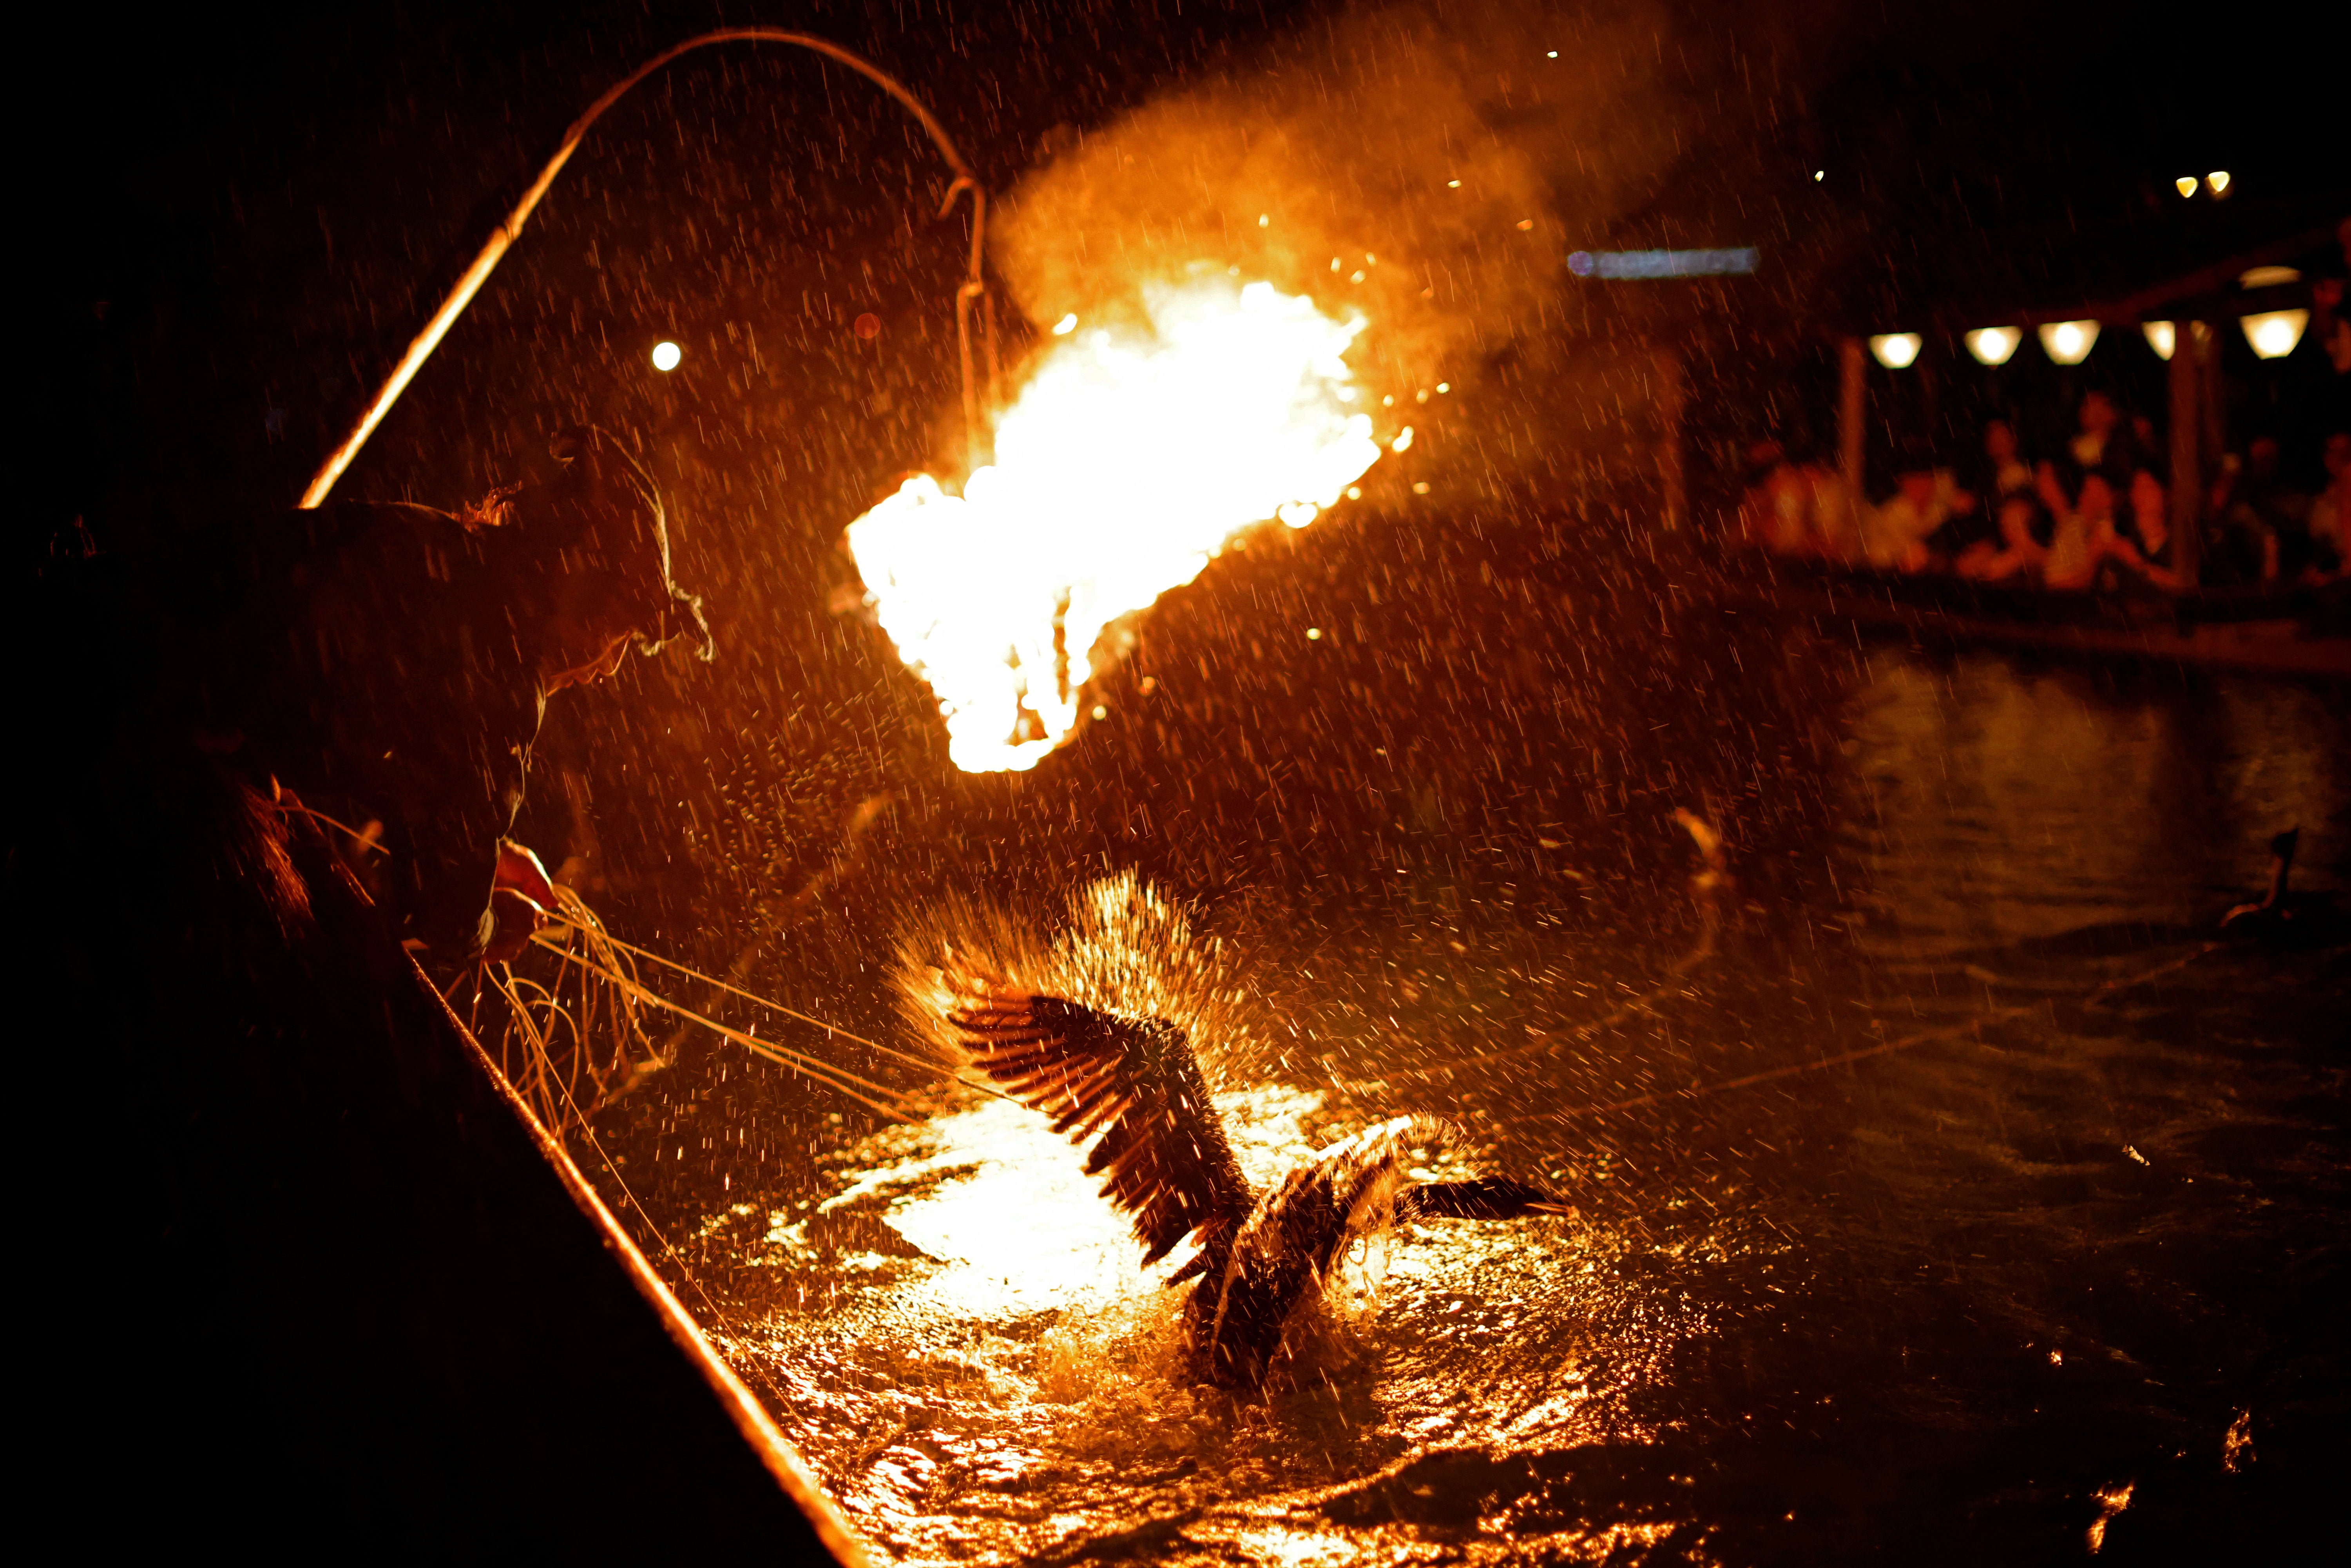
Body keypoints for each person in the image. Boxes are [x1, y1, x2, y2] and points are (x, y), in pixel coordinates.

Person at [183, 426, 710, 969]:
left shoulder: (443, 554)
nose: (609, 668)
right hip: (138, 706)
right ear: (578, 590)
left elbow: (402, 761)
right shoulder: (497, 663)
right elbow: (445, 914)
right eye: (618, 634)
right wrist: (490, 922)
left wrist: (486, 852)